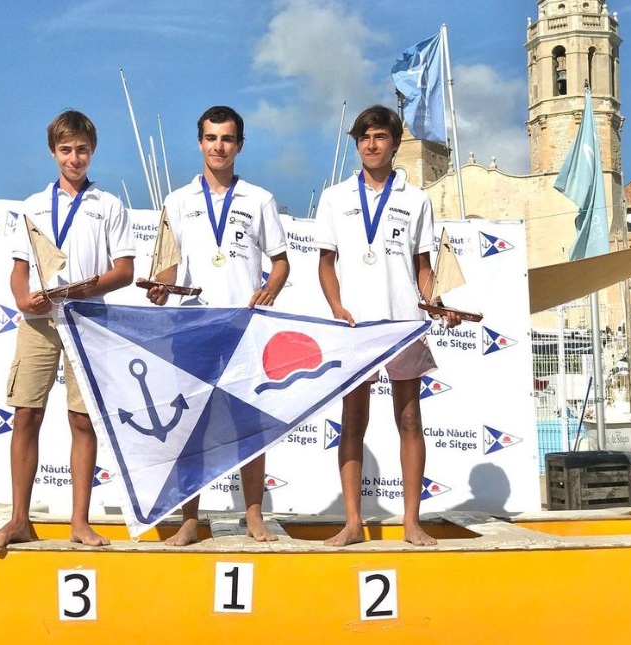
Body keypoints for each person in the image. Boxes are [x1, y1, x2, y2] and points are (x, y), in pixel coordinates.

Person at [0, 110, 135, 554]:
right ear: (53, 152)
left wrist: (78, 288)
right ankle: (19, 518)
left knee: (82, 421)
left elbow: (124, 271)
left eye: (82, 150)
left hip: (88, 320)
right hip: (38, 321)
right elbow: (19, 270)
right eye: (66, 150)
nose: (75, 158)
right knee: (26, 414)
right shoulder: (33, 205)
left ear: (93, 151)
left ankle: (78, 522)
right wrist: (21, 298)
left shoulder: (108, 205)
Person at [313, 105, 461, 547]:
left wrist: (434, 302)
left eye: (379, 137)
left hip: (403, 320)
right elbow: (325, 262)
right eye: (364, 138)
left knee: (410, 418)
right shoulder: (335, 197)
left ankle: (411, 522)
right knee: (352, 419)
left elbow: (423, 265)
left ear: (395, 144)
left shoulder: (416, 200)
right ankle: (353, 523)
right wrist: (337, 306)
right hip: (355, 325)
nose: (371, 145)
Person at [147, 105, 290, 546]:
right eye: (211, 138)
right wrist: (159, 290)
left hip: (243, 327)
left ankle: (253, 517)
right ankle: (190, 519)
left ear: (239, 146)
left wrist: (270, 290)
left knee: (250, 425)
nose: (218, 146)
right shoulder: (176, 201)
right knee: (191, 425)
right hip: (191, 326)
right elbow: (166, 269)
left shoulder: (259, 199)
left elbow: (281, 263)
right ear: (200, 143)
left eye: (227, 139)